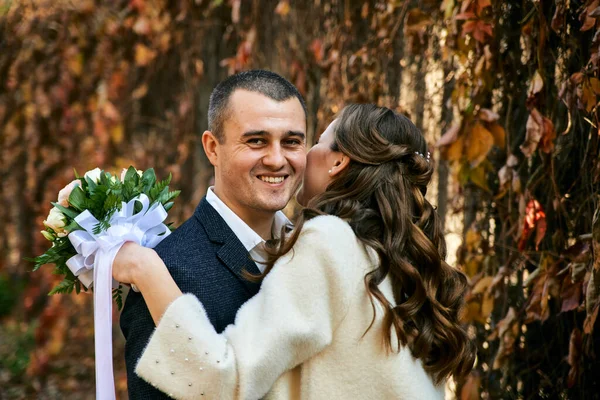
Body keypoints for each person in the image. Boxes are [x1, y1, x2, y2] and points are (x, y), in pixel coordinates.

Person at [115, 104, 476, 399]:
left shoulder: (328, 241)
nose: (298, 158)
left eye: (315, 141)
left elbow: (225, 378)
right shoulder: (399, 261)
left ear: (337, 162)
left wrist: (146, 269)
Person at [119, 69, 307, 399]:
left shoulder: (311, 251)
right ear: (212, 148)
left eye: (291, 142)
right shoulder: (167, 274)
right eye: (256, 141)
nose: (277, 159)